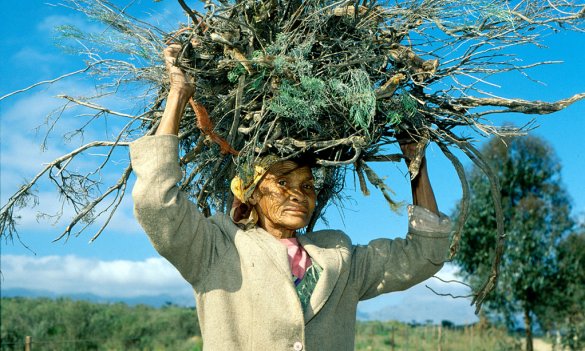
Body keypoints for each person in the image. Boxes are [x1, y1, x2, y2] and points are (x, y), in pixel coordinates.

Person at [130, 45, 451, 351]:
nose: (298, 193)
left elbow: (424, 254)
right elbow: (156, 201)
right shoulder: (215, 249)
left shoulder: (339, 255)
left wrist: (415, 158)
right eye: (282, 181)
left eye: (307, 186)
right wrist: (178, 95)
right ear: (252, 193)